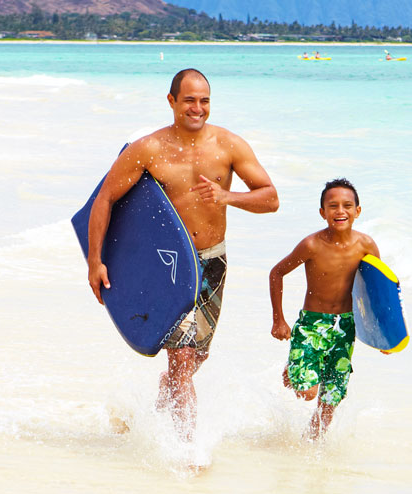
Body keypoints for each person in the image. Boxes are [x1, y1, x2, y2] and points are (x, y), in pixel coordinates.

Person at [87, 68, 279, 440]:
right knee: (182, 356)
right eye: (189, 100)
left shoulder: (229, 145)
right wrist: (96, 261)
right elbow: (105, 199)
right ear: (172, 101)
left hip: (212, 262)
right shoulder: (148, 149)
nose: (197, 108)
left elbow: (270, 198)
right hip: (168, 266)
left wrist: (227, 196)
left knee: (195, 358)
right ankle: (187, 449)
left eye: (204, 101)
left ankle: (157, 406)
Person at [269, 178, 379, 441]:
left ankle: (312, 441)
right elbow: (277, 273)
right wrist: (279, 320)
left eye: (347, 205)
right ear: (322, 212)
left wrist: (382, 336)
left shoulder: (366, 246)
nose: (340, 211)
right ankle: (293, 366)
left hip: (346, 326)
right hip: (312, 325)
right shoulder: (312, 245)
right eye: (333, 206)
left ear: (358, 211)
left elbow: (377, 290)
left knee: (332, 396)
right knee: (307, 393)